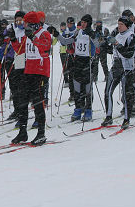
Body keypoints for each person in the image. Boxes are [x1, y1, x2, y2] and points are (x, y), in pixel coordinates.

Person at [10, 11, 51, 145]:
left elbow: (44, 48)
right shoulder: (28, 36)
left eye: (26, 23)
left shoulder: (43, 33)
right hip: (28, 71)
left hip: (40, 73)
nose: (24, 25)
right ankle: (23, 132)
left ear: (33, 24)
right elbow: (21, 50)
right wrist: (13, 40)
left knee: (38, 103)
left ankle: (41, 133)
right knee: (22, 102)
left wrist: (33, 37)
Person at [51, 14, 96, 122]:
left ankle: (88, 110)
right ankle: (78, 108)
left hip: (88, 62)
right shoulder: (77, 32)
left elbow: (100, 45)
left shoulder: (92, 34)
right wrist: (57, 34)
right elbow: (66, 41)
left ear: (89, 23)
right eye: (82, 22)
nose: (83, 24)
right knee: (77, 87)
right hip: (78, 61)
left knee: (87, 88)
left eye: (85, 22)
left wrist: (94, 37)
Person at [102, 16, 135, 129]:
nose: (119, 26)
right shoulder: (117, 35)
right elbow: (112, 51)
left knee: (127, 94)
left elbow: (129, 54)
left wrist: (117, 44)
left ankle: (126, 119)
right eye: (118, 24)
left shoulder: (131, 36)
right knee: (108, 92)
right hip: (116, 67)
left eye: (121, 24)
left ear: (127, 25)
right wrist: (105, 43)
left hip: (127, 68)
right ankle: (108, 116)